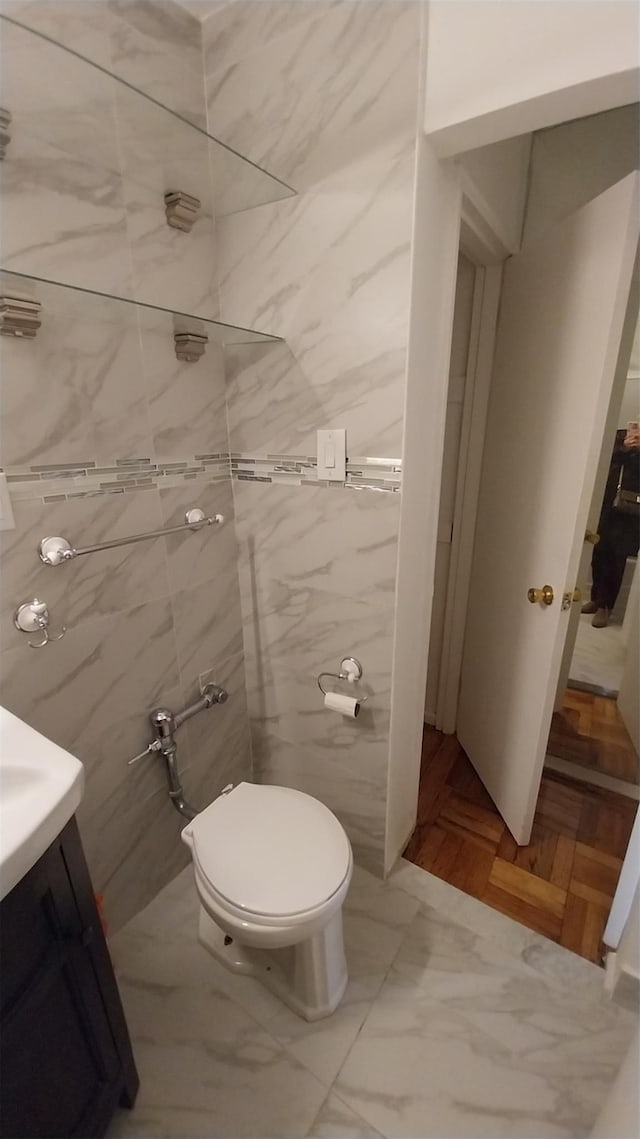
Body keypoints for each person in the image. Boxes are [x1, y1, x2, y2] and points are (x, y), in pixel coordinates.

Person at [582, 420, 640, 627]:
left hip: (630, 513)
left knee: (616, 559)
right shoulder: (616, 438)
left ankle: (605, 607)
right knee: (598, 552)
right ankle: (595, 598)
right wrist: (626, 447)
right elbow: (607, 462)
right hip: (605, 505)